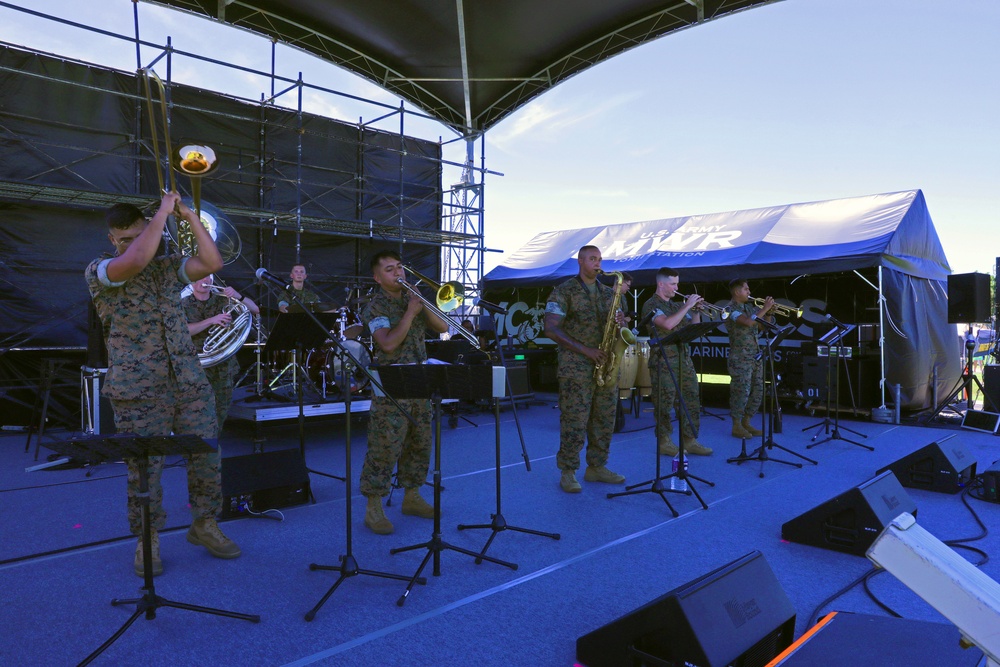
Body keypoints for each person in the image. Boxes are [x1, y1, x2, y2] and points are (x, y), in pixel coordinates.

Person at [84, 193, 241, 578]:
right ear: (111, 241)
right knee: (145, 468)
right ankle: (147, 538)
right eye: (123, 240)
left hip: (187, 378)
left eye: (137, 236)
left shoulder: (167, 267)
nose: (132, 245)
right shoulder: (100, 270)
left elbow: (213, 262)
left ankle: (204, 523)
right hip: (138, 385)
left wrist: (186, 214)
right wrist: (162, 215)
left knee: (206, 453)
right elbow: (135, 259)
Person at [359, 250, 448, 534]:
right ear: (377, 277)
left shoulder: (414, 300)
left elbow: (443, 326)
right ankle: (374, 507)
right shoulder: (375, 306)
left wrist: (421, 303)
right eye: (389, 269)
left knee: (420, 441)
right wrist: (410, 313)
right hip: (392, 384)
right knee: (385, 446)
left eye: (400, 267)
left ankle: (412, 496)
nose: (398, 273)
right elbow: (387, 344)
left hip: (420, 380)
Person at [543, 245, 626, 493]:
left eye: (600, 259)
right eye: (592, 259)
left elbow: (616, 327)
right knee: (574, 422)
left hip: (605, 364)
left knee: (604, 420)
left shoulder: (609, 293)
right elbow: (551, 329)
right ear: (580, 261)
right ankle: (568, 472)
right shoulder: (563, 291)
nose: (598, 263)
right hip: (576, 367)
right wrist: (586, 350)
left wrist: (621, 323)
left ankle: (597, 467)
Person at [639, 267, 713, 458]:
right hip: (663, 362)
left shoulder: (674, 306)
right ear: (661, 284)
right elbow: (668, 324)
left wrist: (696, 311)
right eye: (673, 283)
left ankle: (690, 439)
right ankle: (664, 441)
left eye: (677, 283)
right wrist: (687, 305)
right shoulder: (651, 305)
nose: (676, 287)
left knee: (691, 399)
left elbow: (694, 329)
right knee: (664, 402)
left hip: (684, 360)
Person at [183, 275, 260, 430]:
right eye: (199, 277)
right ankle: (200, 448)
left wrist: (238, 295)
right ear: (191, 281)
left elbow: (255, 309)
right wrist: (212, 320)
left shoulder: (224, 300)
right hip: (197, 366)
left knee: (221, 411)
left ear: (211, 281)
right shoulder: (183, 303)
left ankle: (212, 448)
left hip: (224, 366)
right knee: (198, 411)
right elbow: (183, 330)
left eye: (207, 277)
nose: (203, 280)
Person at [725, 279, 774, 439]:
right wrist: (764, 308)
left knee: (757, 390)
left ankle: (747, 421)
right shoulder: (729, 309)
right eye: (746, 289)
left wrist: (768, 314)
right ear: (737, 292)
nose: (749, 292)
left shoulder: (749, 308)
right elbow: (747, 322)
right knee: (741, 391)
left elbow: (762, 327)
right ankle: (736, 425)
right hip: (740, 358)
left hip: (755, 356)